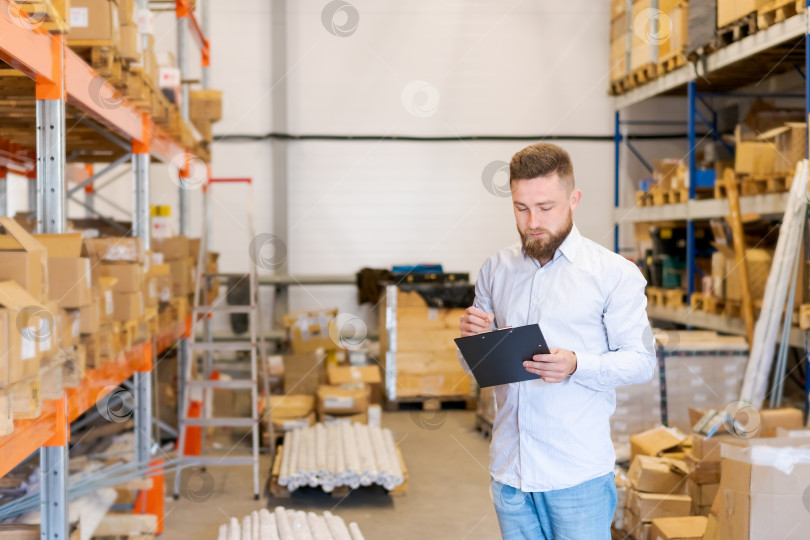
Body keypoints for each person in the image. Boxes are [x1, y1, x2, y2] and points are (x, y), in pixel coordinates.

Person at [458, 143, 655, 539]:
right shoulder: (496, 269)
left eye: (546, 208)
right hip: (510, 472)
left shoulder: (613, 274)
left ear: (573, 199)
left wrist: (578, 364)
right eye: (521, 207)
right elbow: (478, 368)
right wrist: (472, 341)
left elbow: (641, 362)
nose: (532, 221)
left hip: (575, 474)